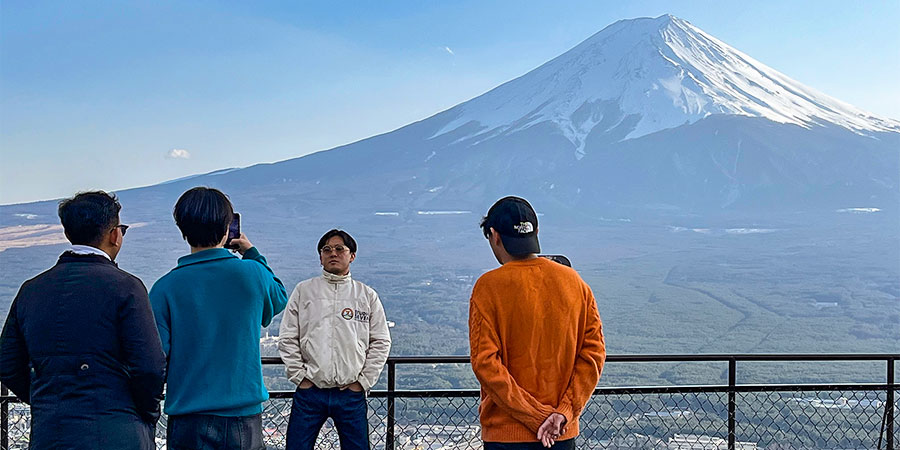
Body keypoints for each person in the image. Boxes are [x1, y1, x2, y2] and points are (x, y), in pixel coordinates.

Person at [0, 191, 166, 449]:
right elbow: (150, 367)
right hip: (118, 431)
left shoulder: (31, 290)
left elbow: (7, 363)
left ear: (69, 233)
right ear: (114, 235)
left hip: (50, 433)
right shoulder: (127, 288)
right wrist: (145, 412)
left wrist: (45, 399)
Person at [150, 187, 288, 450]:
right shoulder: (252, 274)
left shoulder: (165, 288)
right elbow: (279, 296)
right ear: (228, 229)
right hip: (243, 417)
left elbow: (156, 359)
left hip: (188, 416)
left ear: (183, 230)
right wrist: (251, 253)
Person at [468, 196, 606, 449]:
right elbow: (594, 354)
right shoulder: (575, 283)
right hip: (560, 433)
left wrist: (534, 416)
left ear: (494, 236)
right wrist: (562, 413)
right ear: (537, 231)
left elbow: (485, 363)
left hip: (506, 435)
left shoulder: (488, 287)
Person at [278, 229, 392, 450]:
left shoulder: (366, 295)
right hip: (310, 392)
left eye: (340, 249)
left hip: (350, 393)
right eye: (327, 249)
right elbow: (288, 337)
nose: (333, 253)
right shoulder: (304, 291)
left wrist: (363, 382)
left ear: (352, 256)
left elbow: (381, 341)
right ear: (320, 256)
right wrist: (300, 377)